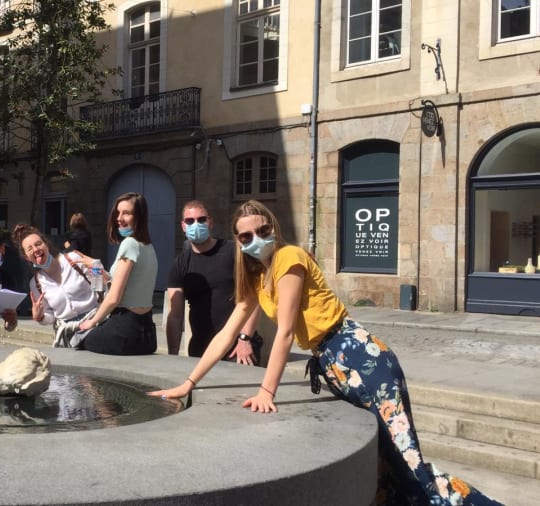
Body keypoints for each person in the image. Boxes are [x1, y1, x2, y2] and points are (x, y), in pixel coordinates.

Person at [151, 200, 501, 506]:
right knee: (382, 465)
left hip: (360, 356)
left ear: (274, 227)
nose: (255, 239)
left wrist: (266, 391)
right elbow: (227, 332)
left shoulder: (289, 257)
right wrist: (188, 382)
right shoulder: (258, 278)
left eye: (263, 229)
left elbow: (286, 332)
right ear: (239, 242)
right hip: (334, 365)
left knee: (408, 463)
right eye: (245, 236)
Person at [166, 200, 262, 364]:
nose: (196, 224)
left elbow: (254, 296)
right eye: (190, 221)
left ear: (210, 222)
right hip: (200, 349)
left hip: (238, 348)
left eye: (201, 219)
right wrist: (172, 356)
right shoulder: (180, 264)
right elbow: (175, 315)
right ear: (183, 226)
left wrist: (245, 339)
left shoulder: (234, 252)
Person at [77, 192, 157, 355]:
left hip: (125, 331)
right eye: (117, 213)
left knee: (76, 339)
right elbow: (125, 282)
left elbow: (114, 297)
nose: (119, 218)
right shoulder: (148, 246)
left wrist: (92, 322)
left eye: (126, 213)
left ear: (139, 217)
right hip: (147, 333)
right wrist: (95, 265)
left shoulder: (130, 244)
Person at [11, 223, 101, 347]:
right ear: (27, 257)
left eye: (38, 244)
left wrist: (96, 267)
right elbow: (51, 316)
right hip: (68, 334)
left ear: (46, 245)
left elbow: (100, 285)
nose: (36, 250)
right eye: (30, 248)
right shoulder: (36, 283)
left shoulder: (72, 259)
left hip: (94, 322)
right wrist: (40, 317)